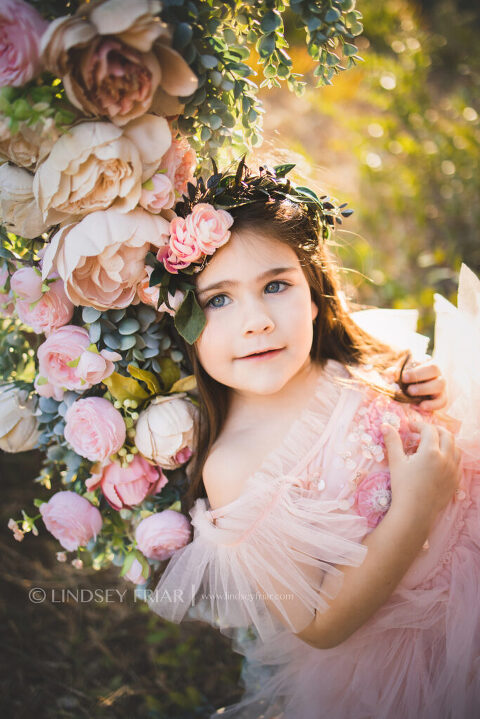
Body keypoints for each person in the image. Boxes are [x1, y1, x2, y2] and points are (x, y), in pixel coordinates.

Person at [148, 161, 479, 718]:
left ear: (313, 293)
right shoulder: (235, 466)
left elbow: (404, 406)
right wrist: (415, 509)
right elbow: (320, 623)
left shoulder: (337, 360)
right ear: (179, 323)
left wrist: (421, 387)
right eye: (218, 300)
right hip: (418, 639)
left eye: (275, 285)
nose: (257, 321)